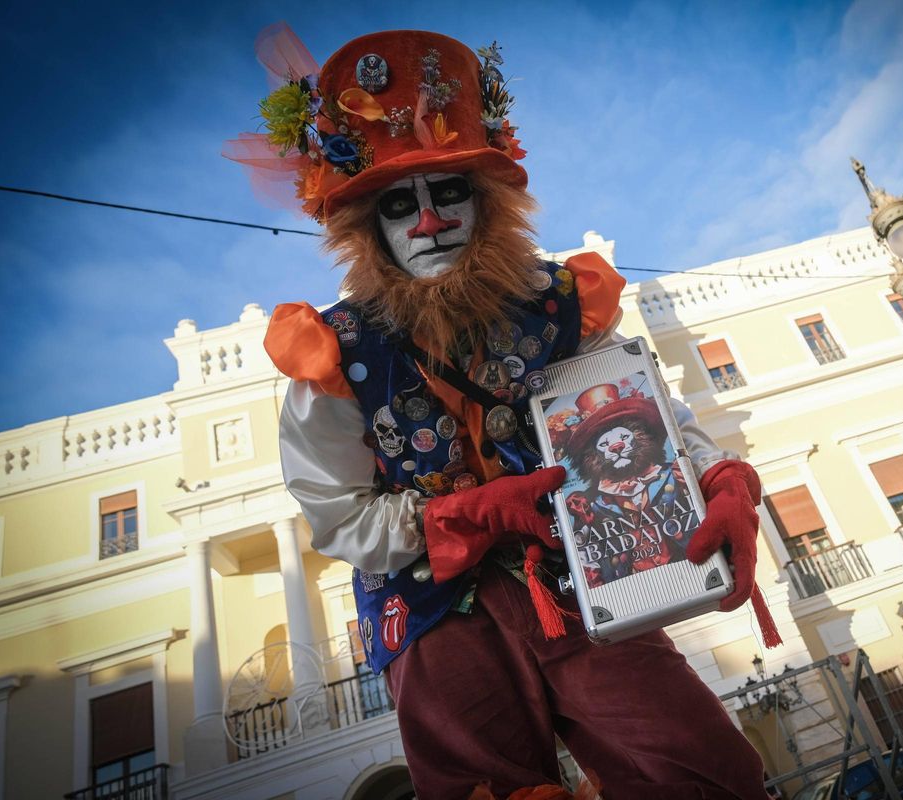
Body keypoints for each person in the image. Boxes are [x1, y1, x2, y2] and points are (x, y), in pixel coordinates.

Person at [228, 24, 778, 799]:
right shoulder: (333, 353)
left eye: (448, 191)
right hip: (433, 615)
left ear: (484, 202)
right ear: (370, 227)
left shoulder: (563, 306)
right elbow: (338, 518)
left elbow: (643, 413)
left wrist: (717, 479)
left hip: (586, 584)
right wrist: (469, 514)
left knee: (706, 774)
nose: (428, 221)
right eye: (398, 203)